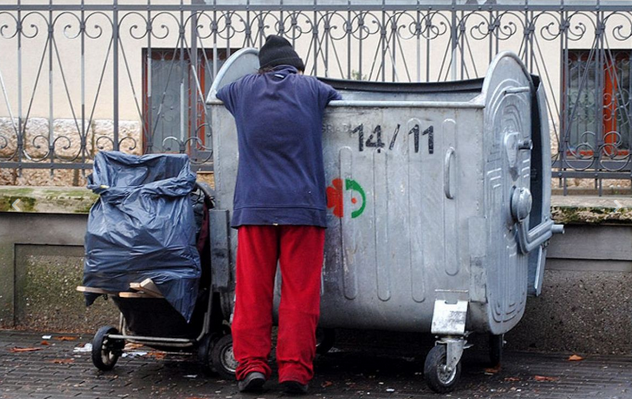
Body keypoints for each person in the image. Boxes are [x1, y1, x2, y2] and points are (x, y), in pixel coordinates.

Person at [215, 35, 341, 394]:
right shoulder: (313, 89)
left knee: (252, 293)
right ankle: (294, 372)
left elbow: (218, 95)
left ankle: (252, 366)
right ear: (296, 66)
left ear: (263, 67)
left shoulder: (240, 90)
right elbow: (347, 106)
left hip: (255, 208)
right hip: (303, 209)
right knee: (300, 295)